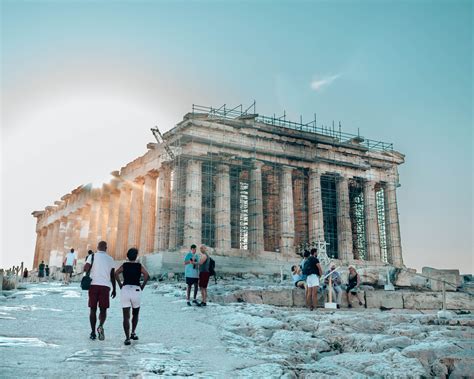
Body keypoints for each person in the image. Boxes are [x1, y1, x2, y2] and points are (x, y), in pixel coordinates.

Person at [115, 248, 149, 346]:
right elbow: (146, 275)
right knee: (136, 313)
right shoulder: (139, 266)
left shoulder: (125, 265)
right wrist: (142, 286)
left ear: (127, 256)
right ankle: (133, 333)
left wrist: (120, 284)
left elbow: (116, 273)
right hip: (136, 290)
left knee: (126, 316)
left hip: (125, 290)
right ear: (136, 256)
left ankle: (127, 338)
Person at [84, 241, 116, 341]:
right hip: (105, 286)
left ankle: (93, 332)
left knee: (93, 309)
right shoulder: (110, 259)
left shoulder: (92, 256)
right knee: (103, 309)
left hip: (93, 285)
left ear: (97, 247)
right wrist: (114, 289)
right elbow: (112, 275)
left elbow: (86, 268)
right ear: (106, 248)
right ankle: (100, 325)